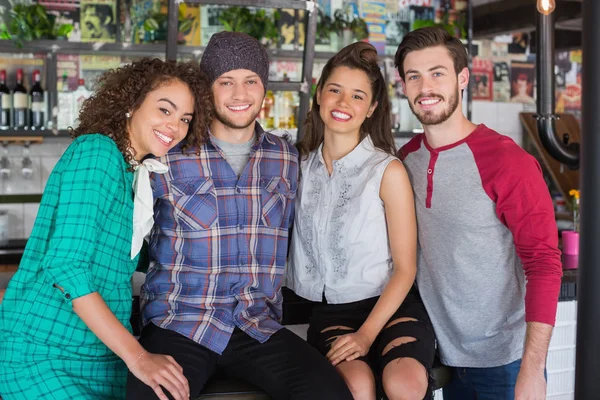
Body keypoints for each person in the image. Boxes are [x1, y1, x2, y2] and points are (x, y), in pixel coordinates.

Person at [126, 31, 353, 400]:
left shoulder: (286, 158)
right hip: (180, 325)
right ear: (207, 89)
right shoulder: (167, 156)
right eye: (226, 82)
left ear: (264, 89)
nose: (240, 94)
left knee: (329, 393)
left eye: (251, 81)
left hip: (256, 326)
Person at [0, 58, 211, 400]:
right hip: (45, 349)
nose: (175, 126)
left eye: (185, 118)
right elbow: (65, 267)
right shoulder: (97, 152)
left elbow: (124, 259)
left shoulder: (136, 175)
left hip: (100, 354)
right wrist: (139, 357)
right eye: (164, 110)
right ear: (131, 105)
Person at [395, 27, 563, 399]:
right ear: (403, 86)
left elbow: (544, 264)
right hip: (447, 361)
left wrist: (533, 371)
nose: (426, 87)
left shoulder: (507, 161)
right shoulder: (406, 160)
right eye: (414, 76)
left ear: (463, 78)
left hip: (506, 363)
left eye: (437, 73)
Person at [287, 41, 436, 400]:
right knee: (356, 386)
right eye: (335, 90)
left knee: (404, 384)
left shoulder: (387, 170)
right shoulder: (295, 168)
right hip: (333, 312)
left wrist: (367, 335)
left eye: (357, 96)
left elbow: (405, 269)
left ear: (371, 108)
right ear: (319, 94)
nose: (343, 103)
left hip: (392, 305)